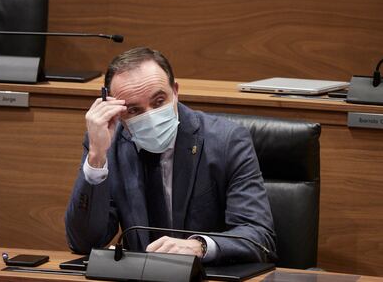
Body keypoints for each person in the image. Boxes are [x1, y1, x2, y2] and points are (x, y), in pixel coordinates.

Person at [65, 47, 276, 264]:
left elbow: (259, 237)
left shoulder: (226, 141)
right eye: (134, 111)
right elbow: (83, 242)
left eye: (158, 101)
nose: (151, 117)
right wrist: (96, 158)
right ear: (116, 112)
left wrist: (199, 246)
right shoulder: (109, 143)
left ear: (175, 91)